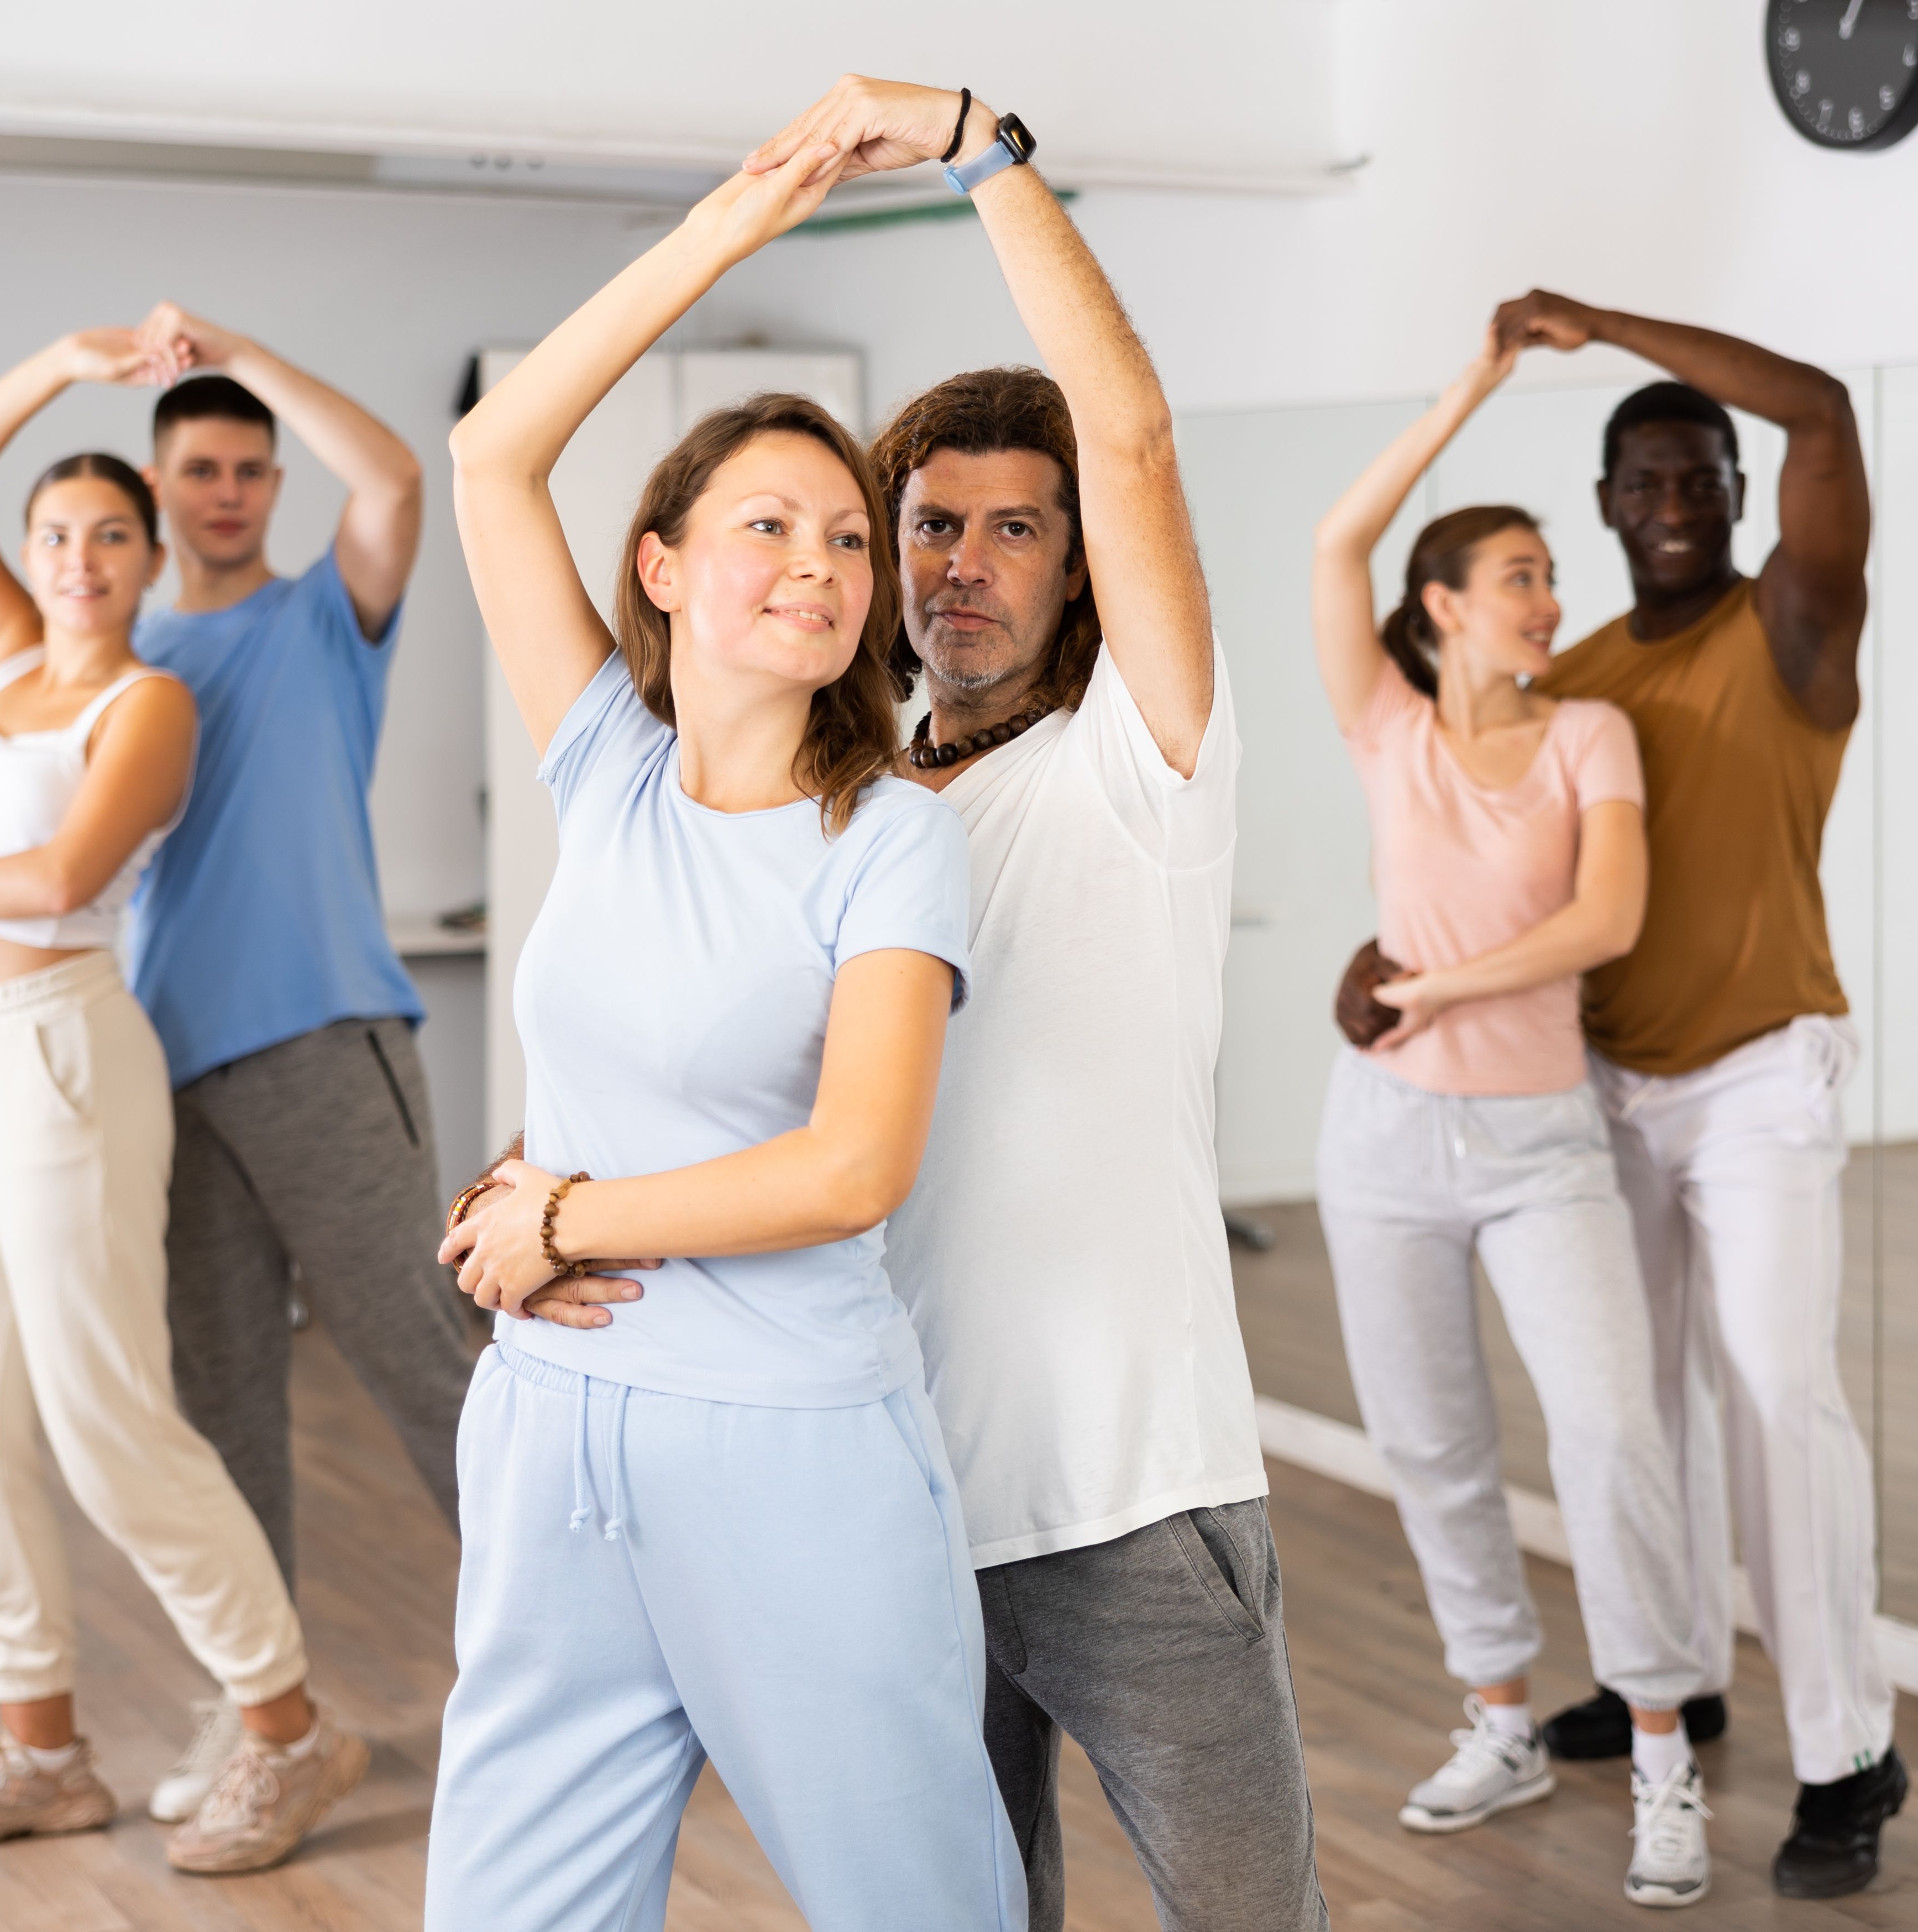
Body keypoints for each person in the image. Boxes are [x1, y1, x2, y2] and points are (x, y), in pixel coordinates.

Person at [742, 76, 1325, 1931]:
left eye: (1015, 529)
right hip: (902, 1497)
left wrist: (990, 157)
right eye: (931, 523)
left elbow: (1136, 441)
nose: (963, 564)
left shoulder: (1134, 766)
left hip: (1127, 1500)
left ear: (1078, 568)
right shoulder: (849, 817)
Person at [423, 124, 1017, 1930]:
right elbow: (492, 453)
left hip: (788, 1445)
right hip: (551, 1422)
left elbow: (854, 1165)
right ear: (664, 567)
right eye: (768, 524)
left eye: (849, 537)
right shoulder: (610, 769)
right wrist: (739, 216)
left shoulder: (892, 837)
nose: (824, 563)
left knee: (916, 1901)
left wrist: (559, 1217)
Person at [0, 331, 364, 1875]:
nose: (77, 556)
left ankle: (284, 1729)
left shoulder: (149, 705)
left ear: (148, 552)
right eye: (56, 531)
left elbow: (60, 873)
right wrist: (60, 361)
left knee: (107, 1423)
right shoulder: (2, 669)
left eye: (113, 533)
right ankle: (37, 1749)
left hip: (60, 1054)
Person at [1490, 289, 1905, 1900]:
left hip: (1757, 1078)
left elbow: (1820, 408)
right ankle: (1670, 1673)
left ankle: (1844, 1754)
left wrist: (1597, 323)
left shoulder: (1793, 629)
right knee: (1621, 1408)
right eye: (1640, 486)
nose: (1670, 507)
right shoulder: (1574, 681)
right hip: (1599, 1080)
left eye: (1695, 479)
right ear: (1603, 509)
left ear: (1733, 493)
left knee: (1773, 1402)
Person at [1308, 327, 1712, 1908]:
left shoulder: (1587, 737)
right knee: (1431, 1446)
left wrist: (1436, 985)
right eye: (1521, 575)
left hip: (1545, 1140)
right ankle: (1496, 1713)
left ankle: (1663, 1754)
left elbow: (1606, 920)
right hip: (1386, 1145)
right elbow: (1337, 538)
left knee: (1610, 1435)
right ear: (1444, 609)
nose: (1548, 600)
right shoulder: (1387, 732)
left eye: (1551, 573)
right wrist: (1472, 388)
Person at [120, 308, 485, 1815]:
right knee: (222, 1406)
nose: (227, 491)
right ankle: (255, 1714)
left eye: (251, 470)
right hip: (171, 1075)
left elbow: (395, 478)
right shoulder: (121, 651)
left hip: (326, 1044)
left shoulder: (321, 617)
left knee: (428, 1372)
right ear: (155, 486)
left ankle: (618, 1664)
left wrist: (246, 354)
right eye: (200, 467)